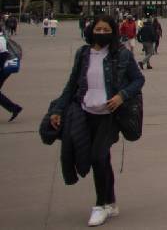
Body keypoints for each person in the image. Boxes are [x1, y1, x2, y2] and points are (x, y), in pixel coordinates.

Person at [50, 14, 145, 227]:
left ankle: (100, 205)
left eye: (106, 30)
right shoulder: (83, 54)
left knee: (97, 157)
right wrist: (58, 109)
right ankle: (111, 201)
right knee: (102, 160)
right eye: (98, 29)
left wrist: (122, 95)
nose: (101, 33)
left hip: (109, 115)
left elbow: (139, 79)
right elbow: (72, 84)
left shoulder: (121, 54)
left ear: (114, 32)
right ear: (91, 30)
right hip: (85, 113)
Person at [0, 29, 21, 121]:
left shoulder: (1, 39)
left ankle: (14, 108)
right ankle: (14, 108)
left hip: (4, 68)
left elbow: (4, 54)